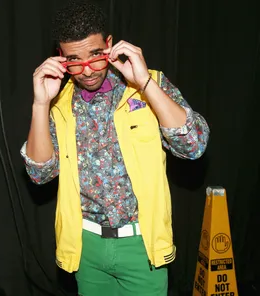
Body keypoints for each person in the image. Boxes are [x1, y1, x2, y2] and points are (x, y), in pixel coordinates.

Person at [20, 1, 210, 295]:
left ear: (109, 46)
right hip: (86, 248)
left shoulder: (150, 85)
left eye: (95, 55)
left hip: (142, 246)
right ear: (60, 58)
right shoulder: (57, 103)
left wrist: (144, 82)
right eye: (74, 60)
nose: (87, 71)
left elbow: (194, 145)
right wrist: (41, 103)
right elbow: (39, 173)